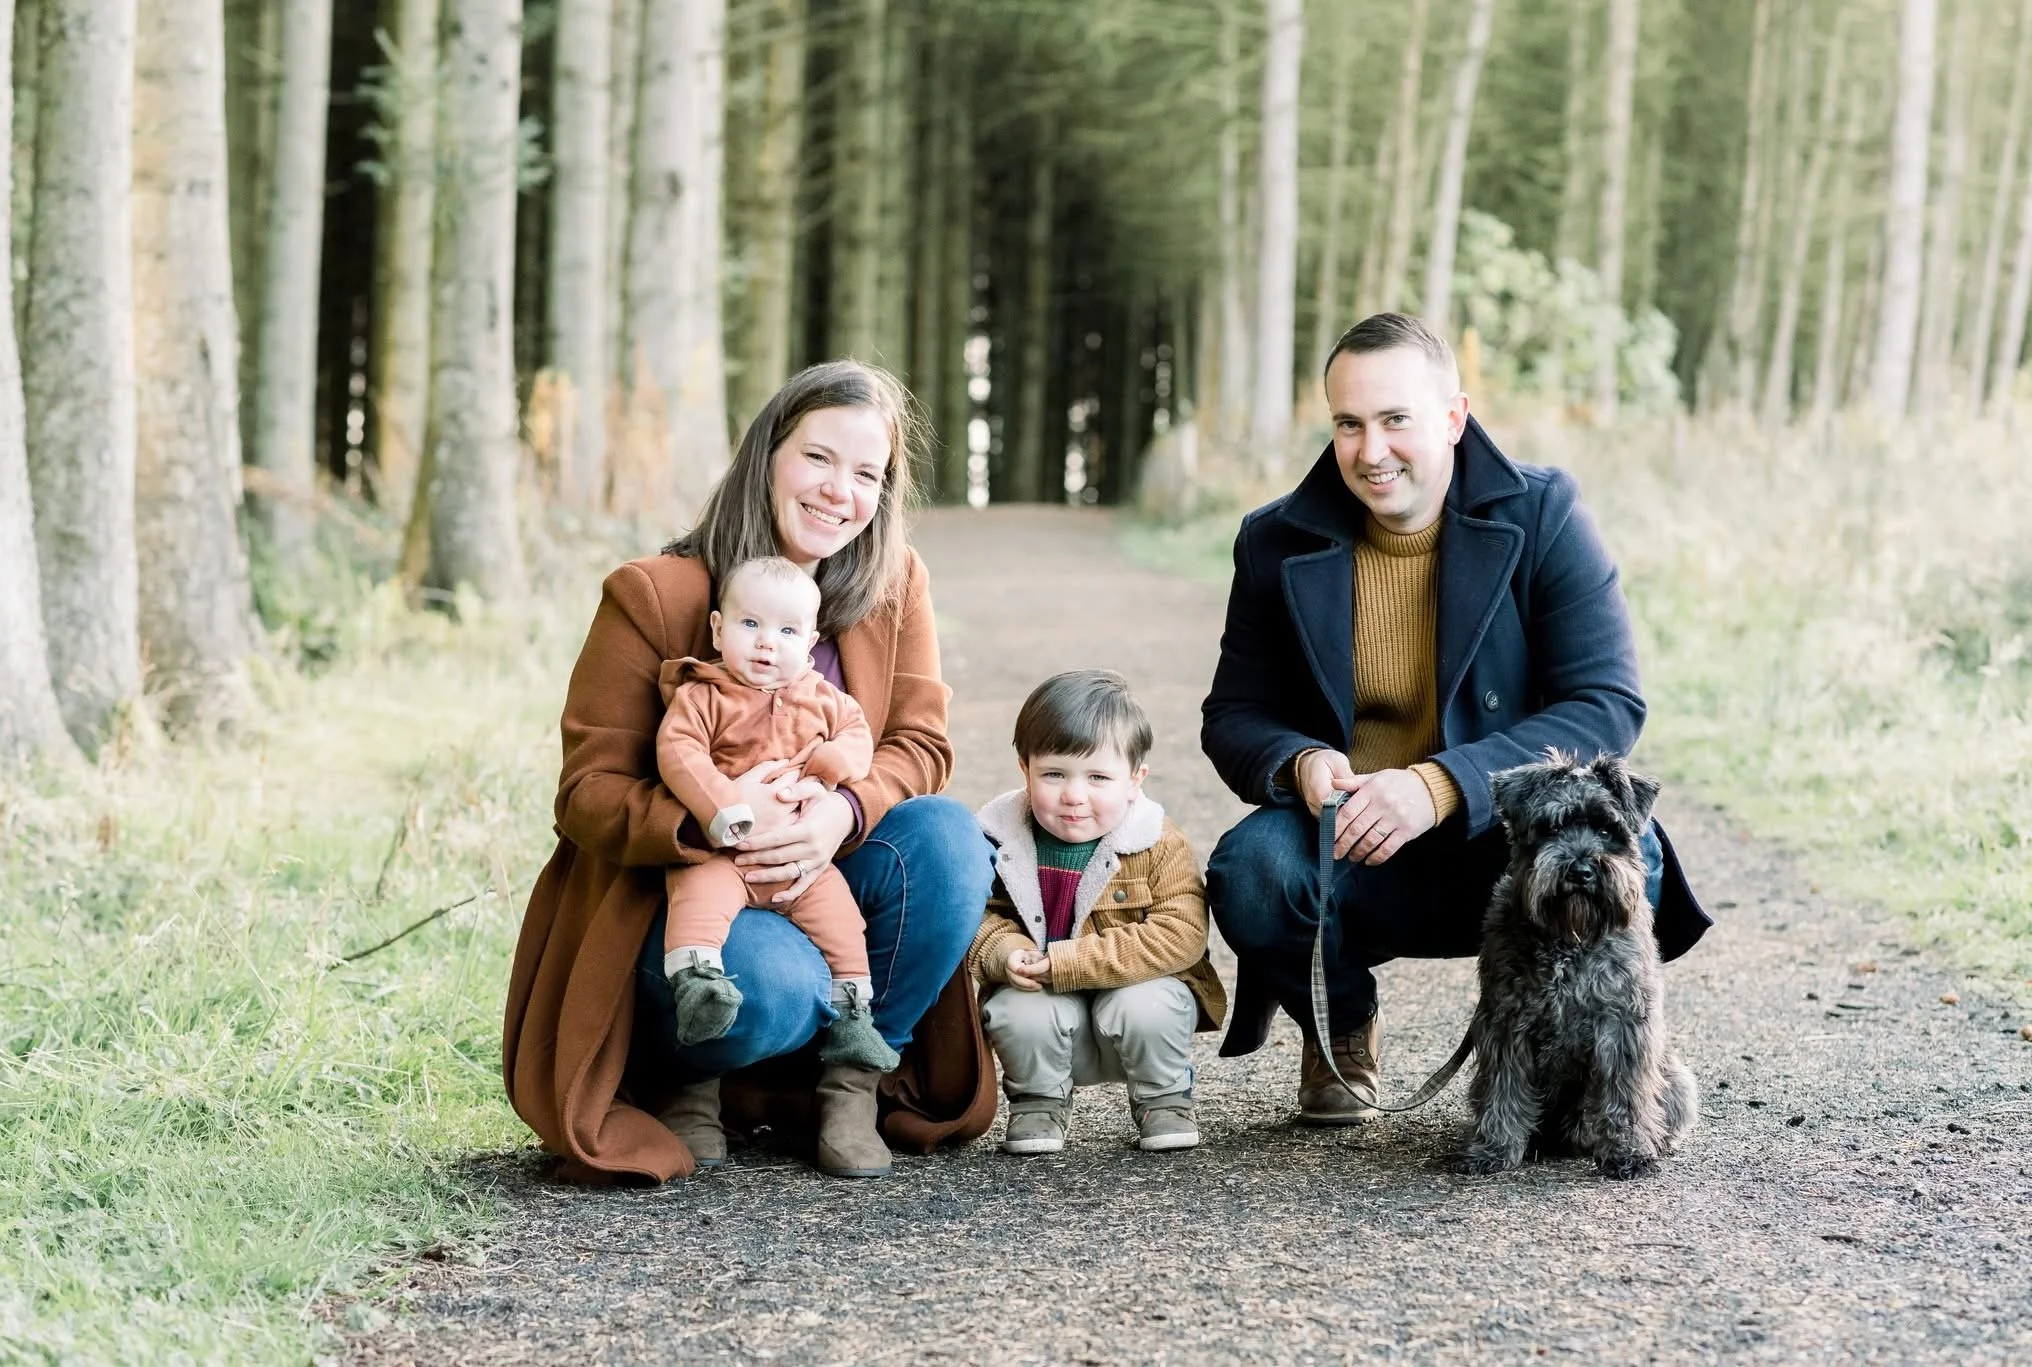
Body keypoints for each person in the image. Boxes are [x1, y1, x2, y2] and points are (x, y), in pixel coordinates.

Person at [1200, 312, 1710, 1125]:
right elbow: (1234, 712)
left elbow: (1606, 701)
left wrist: (1438, 785)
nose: (1371, 451)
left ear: (1453, 416)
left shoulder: (1542, 511)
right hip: (1355, 841)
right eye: (1349, 424)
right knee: (1252, 874)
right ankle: (1345, 1020)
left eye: (1396, 418)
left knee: (1631, 852)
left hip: (1505, 844)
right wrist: (1296, 759)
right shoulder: (1274, 540)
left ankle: (1613, 1041)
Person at [504, 359, 997, 1183]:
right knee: (775, 982)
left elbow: (922, 743)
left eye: (867, 473)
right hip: (696, 890)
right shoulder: (655, 594)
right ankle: (690, 1078)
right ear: (768, 453)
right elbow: (586, 793)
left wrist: (842, 810)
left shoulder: (893, 584)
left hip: (828, 871)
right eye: (818, 458)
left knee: (949, 840)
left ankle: (852, 1083)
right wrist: (717, 816)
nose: (840, 490)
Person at [652, 555, 895, 1073]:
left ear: (810, 644)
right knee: (697, 902)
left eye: (787, 630)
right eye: (750, 624)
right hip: (723, 855)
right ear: (718, 630)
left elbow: (858, 738)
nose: (767, 642)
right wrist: (724, 808)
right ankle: (698, 986)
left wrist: (830, 770)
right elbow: (681, 754)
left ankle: (853, 1017)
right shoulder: (702, 696)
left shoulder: (825, 699)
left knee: (843, 923)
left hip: (805, 865)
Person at [967, 670, 1226, 1155]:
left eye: (1098, 778)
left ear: (1134, 781)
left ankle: (1164, 1096)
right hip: (1044, 1010)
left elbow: (1181, 932)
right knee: (1011, 1009)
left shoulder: (1155, 840)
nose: (1074, 795)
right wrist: (1006, 953)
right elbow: (977, 917)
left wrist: (1067, 962)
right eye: (1054, 774)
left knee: (1149, 1005)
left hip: (1132, 1001)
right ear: (1024, 770)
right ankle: (1039, 1099)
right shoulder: (1000, 840)